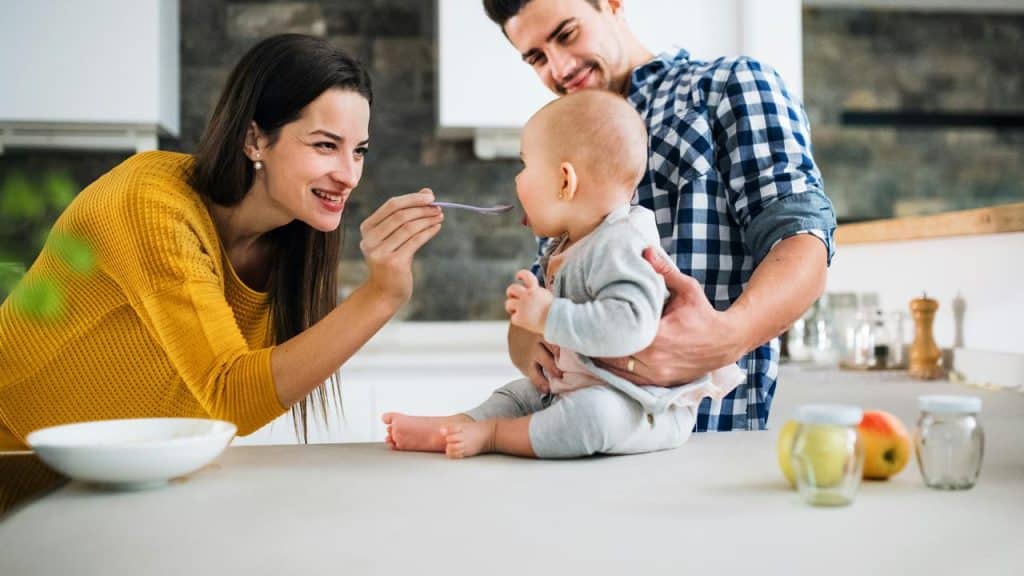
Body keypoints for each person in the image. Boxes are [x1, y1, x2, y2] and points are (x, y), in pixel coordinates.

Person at [0, 34, 444, 450]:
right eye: (326, 146)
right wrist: (381, 294)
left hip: (119, 476)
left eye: (359, 150)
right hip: (17, 466)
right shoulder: (149, 201)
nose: (348, 175)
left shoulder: (295, 239)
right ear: (254, 139)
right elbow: (227, 396)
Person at [483, 0, 837, 432]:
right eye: (537, 57)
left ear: (612, 4)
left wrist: (730, 335)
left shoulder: (729, 87)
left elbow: (801, 239)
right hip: (583, 445)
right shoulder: (558, 143)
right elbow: (549, 287)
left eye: (566, 34)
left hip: (710, 439)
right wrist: (524, 342)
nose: (559, 67)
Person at [383, 91, 742, 458]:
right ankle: (457, 425)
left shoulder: (620, 242)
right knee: (519, 394)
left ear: (565, 182)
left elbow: (631, 326)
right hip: (581, 383)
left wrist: (547, 315)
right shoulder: (576, 241)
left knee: (593, 417)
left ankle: (491, 435)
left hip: (641, 407)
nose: (518, 180)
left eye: (524, 166)